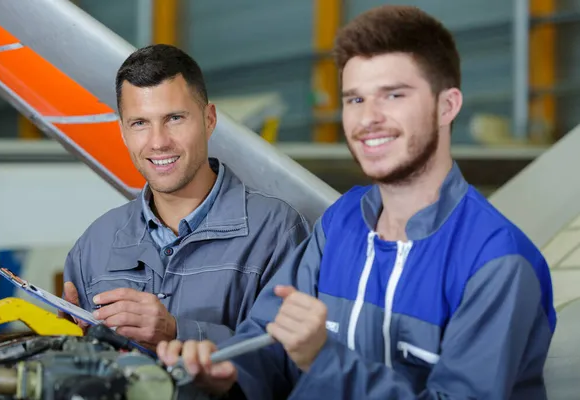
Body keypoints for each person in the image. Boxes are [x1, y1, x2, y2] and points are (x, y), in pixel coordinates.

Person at [156, 5, 557, 399]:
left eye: (393, 95)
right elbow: (268, 338)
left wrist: (323, 359)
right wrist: (228, 372)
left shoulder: (496, 263)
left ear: (446, 106)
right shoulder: (341, 222)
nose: (368, 119)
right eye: (355, 99)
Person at [61, 44, 310, 351]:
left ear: (209, 119)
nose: (158, 142)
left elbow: (289, 363)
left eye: (175, 118)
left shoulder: (275, 232)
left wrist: (177, 332)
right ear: (123, 132)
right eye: (140, 123)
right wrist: (73, 344)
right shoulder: (93, 246)